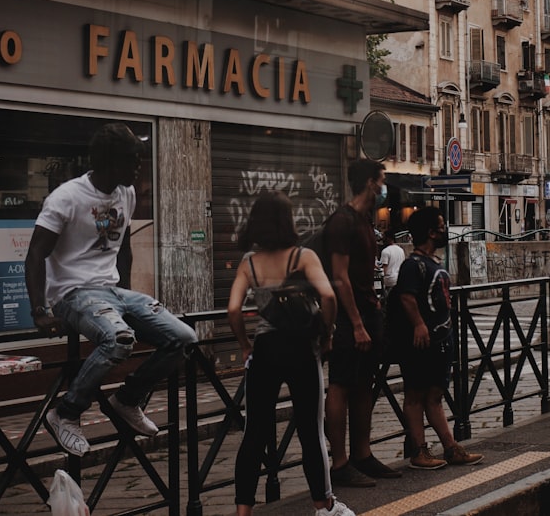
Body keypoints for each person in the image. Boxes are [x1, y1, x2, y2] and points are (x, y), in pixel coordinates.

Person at [26, 122, 199, 457]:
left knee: (184, 338)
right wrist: (40, 310)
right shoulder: (66, 197)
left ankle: (127, 399)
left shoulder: (126, 193)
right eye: (133, 161)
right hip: (73, 294)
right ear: (111, 162)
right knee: (119, 339)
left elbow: (124, 248)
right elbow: (35, 255)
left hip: (112, 292)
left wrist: (128, 300)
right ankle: (66, 412)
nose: (138, 168)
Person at [227, 191, 353, 516]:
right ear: (288, 220)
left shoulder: (249, 263)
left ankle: (243, 511)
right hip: (301, 349)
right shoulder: (304, 256)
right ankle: (323, 505)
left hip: (265, 351)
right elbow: (328, 297)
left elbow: (233, 309)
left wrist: (245, 345)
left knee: (254, 432)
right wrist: (326, 335)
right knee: (311, 430)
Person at [387, 206, 483, 470]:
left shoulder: (433, 263)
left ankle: (450, 448)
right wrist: (418, 324)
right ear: (430, 232)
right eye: (441, 226)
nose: (445, 230)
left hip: (440, 340)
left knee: (435, 396)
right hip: (420, 342)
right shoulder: (412, 265)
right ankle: (419, 451)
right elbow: (406, 296)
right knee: (415, 395)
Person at [324, 159, 401, 487]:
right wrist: (355, 322)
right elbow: (339, 278)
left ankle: (362, 454)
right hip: (347, 316)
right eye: (381, 180)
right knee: (341, 383)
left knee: (363, 383)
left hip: (367, 311)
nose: (384, 187)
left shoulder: (364, 221)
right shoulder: (342, 221)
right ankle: (339, 462)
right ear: (370, 182)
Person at [379, 229, 405, 296]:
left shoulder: (385, 251)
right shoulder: (401, 250)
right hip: (399, 278)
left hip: (390, 279)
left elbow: (385, 269)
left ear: (388, 238)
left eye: (384, 237)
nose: (382, 239)